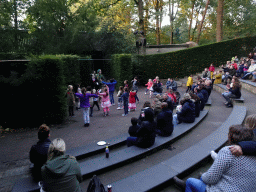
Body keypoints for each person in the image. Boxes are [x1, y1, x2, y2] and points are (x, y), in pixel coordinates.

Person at [173, 125, 256, 192]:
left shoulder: (229, 151)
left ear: (230, 137)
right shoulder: (253, 152)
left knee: (190, 181)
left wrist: (204, 177)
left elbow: (210, 179)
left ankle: (188, 185)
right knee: (204, 177)